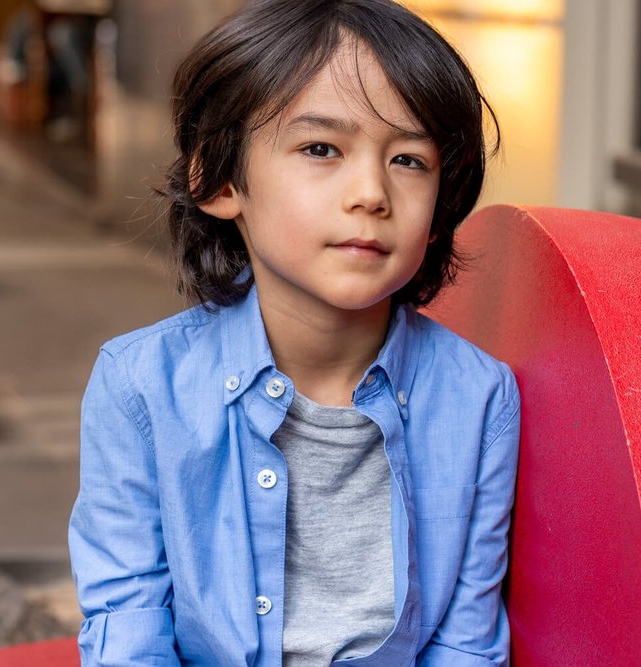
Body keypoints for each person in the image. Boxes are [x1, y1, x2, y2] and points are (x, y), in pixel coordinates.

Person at [68, 0, 520, 664]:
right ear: (219, 179)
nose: (371, 192)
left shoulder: (480, 398)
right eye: (321, 148)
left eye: (409, 160)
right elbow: (128, 628)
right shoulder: (139, 386)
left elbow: (466, 642)